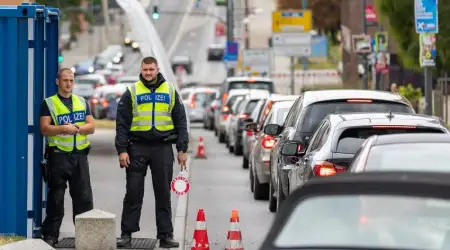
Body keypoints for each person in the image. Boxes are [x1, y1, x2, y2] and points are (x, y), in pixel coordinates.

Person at [115, 56, 189, 248]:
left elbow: (181, 121)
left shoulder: (170, 91)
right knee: (133, 191)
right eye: (145, 69)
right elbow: (121, 124)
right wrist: (122, 150)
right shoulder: (131, 91)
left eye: (151, 69)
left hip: (163, 147)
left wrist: (182, 149)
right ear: (141, 69)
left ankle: (165, 235)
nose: (148, 73)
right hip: (137, 147)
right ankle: (127, 234)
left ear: (157, 69)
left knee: (163, 193)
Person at [40, 68, 95, 246]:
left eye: (71, 80)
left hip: (79, 157)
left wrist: (76, 129)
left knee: (84, 198)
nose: (69, 84)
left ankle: (85, 236)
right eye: (65, 80)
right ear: (58, 82)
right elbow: (44, 129)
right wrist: (64, 128)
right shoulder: (49, 103)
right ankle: (51, 235)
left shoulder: (82, 102)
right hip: (58, 157)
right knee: (56, 198)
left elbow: (91, 127)